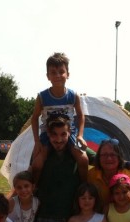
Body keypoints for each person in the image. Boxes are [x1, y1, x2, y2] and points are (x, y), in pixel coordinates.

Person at [30, 52, 89, 183]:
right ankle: (34, 189)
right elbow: (34, 119)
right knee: (37, 164)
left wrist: (79, 135)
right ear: (48, 76)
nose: (57, 75)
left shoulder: (73, 95)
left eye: (61, 72)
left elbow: (80, 115)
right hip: (48, 134)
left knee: (83, 159)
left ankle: (84, 187)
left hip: (69, 133)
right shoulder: (42, 97)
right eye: (53, 72)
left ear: (68, 74)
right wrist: (37, 142)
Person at [88, 138, 130, 207]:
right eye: (104, 155)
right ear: (99, 157)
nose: (109, 158)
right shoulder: (90, 175)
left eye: (113, 155)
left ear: (119, 157)